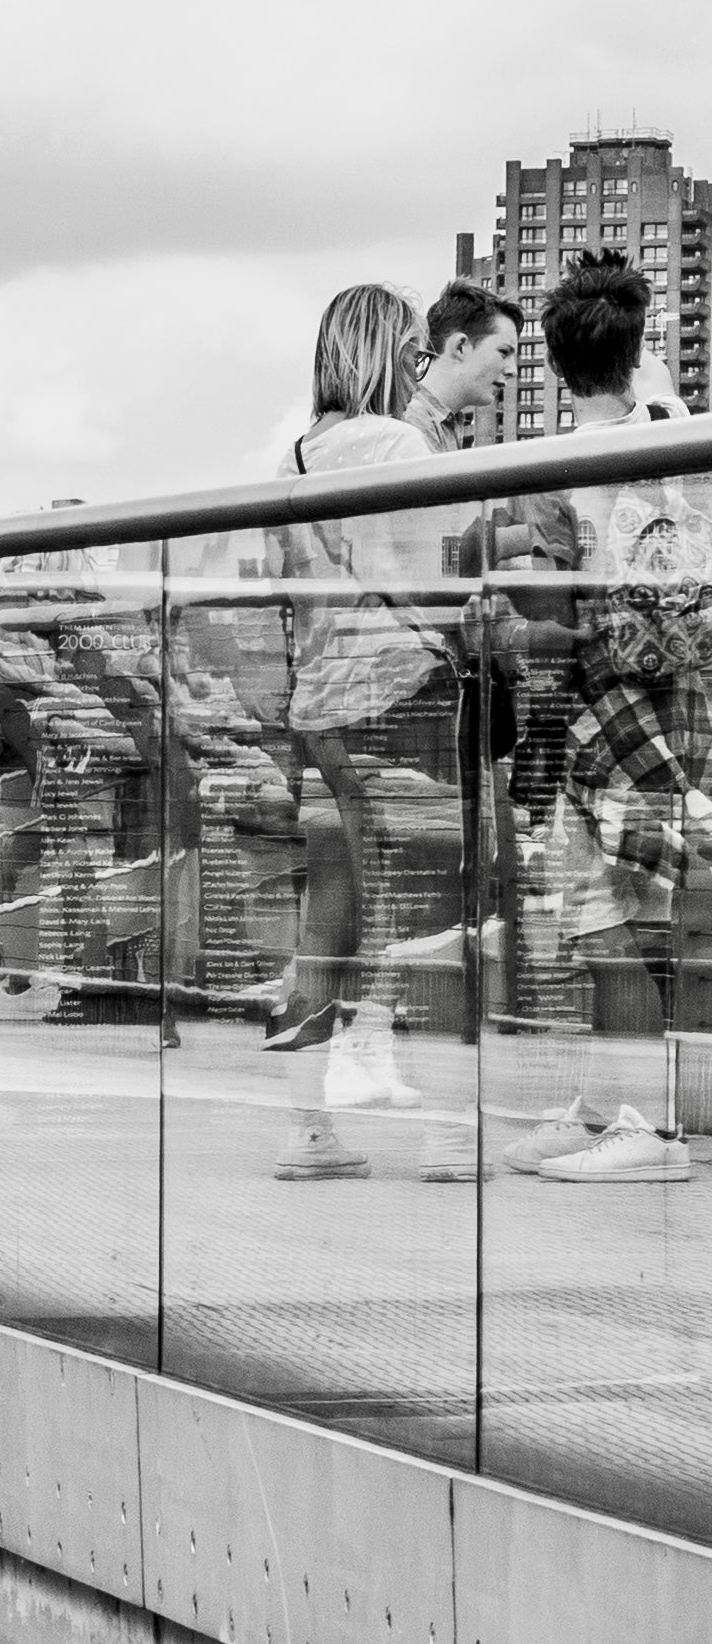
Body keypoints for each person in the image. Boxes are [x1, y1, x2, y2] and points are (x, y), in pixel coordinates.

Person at [257, 284, 475, 1184]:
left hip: (320, 705)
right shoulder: (398, 445)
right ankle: (446, 1130)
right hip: (400, 693)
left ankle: (309, 1130)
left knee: (330, 914)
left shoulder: (293, 456)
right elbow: (441, 575)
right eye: (415, 352)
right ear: (386, 352)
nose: (420, 368)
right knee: (434, 910)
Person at [496, 253, 706, 1184]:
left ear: (553, 364)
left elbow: (550, 617)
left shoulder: (551, 472)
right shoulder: (676, 436)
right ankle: (601, 1107)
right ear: (637, 344)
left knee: (597, 917)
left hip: (592, 716)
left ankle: (647, 1125)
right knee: (633, 910)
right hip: (676, 708)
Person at [410, 280, 524, 452]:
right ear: (460, 347)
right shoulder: (413, 426)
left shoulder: (443, 423)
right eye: (504, 352)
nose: (512, 371)